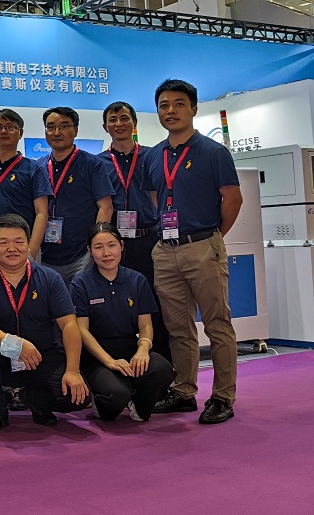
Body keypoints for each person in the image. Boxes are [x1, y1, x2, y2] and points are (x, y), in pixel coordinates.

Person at [145, 79, 242, 425]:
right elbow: (156, 199)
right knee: (178, 328)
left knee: (217, 324)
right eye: (164, 105)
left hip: (203, 246)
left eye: (179, 104)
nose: (170, 111)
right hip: (166, 250)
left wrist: (211, 236)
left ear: (194, 109)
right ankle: (184, 391)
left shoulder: (213, 152)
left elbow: (233, 199)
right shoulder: (153, 155)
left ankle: (223, 396)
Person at [0, 214, 90, 434]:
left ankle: (34, 399)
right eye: (3, 242)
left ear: (29, 243)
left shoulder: (50, 278)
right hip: (1, 357)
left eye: (19, 241)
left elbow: (69, 324)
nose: (12, 248)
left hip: (42, 355)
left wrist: (73, 370)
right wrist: (16, 344)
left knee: (77, 397)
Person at [71, 223, 175, 422]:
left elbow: (146, 325)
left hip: (129, 351)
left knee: (162, 369)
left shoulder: (137, 280)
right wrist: (109, 361)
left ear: (121, 245)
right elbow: (81, 330)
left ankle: (137, 402)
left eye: (111, 245)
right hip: (97, 357)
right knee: (115, 396)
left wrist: (143, 350)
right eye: (99, 247)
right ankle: (104, 399)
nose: (106, 253)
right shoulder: (81, 283)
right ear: (90, 251)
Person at [99, 101, 169, 360]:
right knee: (116, 304)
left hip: (148, 239)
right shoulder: (98, 163)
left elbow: (161, 197)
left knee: (155, 303)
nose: (119, 124)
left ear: (134, 123)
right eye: (113, 119)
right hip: (114, 244)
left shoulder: (152, 157)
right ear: (105, 127)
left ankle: (160, 364)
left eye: (124, 118)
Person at [39, 106, 114, 286]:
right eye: (51, 127)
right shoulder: (38, 167)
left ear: (76, 130)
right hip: (45, 254)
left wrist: (96, 246)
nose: (57, 132)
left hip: (82, 255)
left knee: (82, 301)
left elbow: (106, 207)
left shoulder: (92, 164)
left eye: (64, 126)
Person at [0, 109, 52, 264]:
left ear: (20, 132)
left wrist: (31, 251)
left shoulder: (34, 169)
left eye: (10, 127)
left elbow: (42, 213)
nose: (3, 131)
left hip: (22, 247)